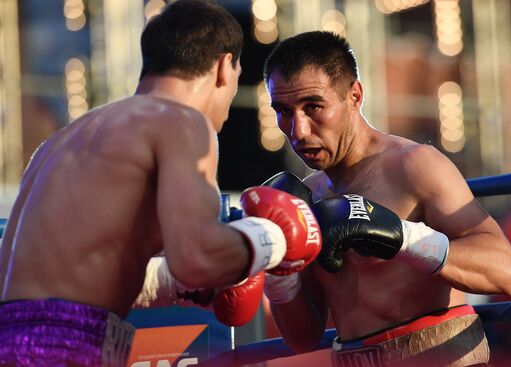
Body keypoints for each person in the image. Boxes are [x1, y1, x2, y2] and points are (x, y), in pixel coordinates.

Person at [0, 2, 321, 366]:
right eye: (237, 77)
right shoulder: (182, 122)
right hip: (70, 349)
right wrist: (273, 239)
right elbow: (197, 258)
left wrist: (176, 282)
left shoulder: (62, 142)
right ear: (222, 68)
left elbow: (38, 275)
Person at [260, 31, 511, 367]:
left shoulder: (414, 165)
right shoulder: (306, 198)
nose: (298, 130)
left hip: (439, 355)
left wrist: (402, 236)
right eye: (283, 111)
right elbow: (303, 338)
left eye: (313, 106)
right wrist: (279, 275)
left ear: (354, 95)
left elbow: (506, 273)